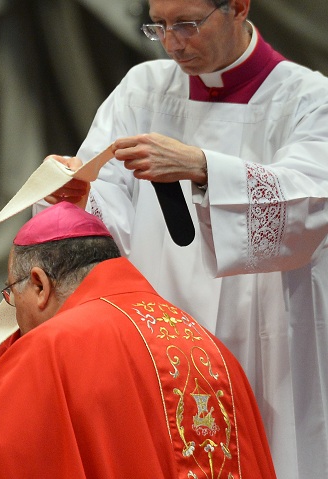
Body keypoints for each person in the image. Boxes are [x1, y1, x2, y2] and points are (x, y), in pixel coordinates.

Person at [45, 0, 328, 477]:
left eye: (188, 24)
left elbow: (311, 200)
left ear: (238, 7)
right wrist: (79, 191)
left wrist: (202, 167)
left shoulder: (308, 97)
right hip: (162, 318)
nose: (174, 42)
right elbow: (106, 199)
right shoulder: (143, 90)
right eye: (160, 26)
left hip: (267, 328)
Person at [0, 201, 276, 478]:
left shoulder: (51, 347)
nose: (15, 315)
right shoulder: (206, 344)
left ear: (39, 285)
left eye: (11, 292)